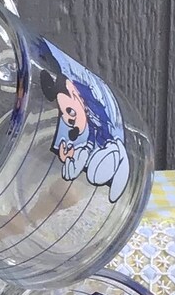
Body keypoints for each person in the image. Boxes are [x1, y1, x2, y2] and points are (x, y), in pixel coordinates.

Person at [38, 39, 130, 203]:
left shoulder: (96, 115)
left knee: (95, 174)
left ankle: (118, 157)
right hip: (94, 158)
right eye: (66, 117)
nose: (70, 120)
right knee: (91, 173)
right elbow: (71, 170)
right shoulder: (81, 136)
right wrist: (67, 156)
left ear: (75, 94)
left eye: (70, 112)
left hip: (112, 152)